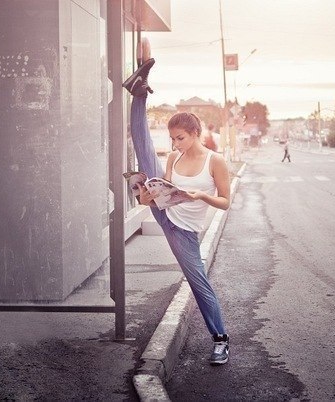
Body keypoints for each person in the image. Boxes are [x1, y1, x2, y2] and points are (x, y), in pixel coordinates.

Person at [122, 38, 231, 365]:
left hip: (184, 232)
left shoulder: (215, 161)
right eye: (172, 139)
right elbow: (161, 190)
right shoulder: (173, 157)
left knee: (198, 283)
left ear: (196, 133)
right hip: (166, 211)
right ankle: (140, 91)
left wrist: (200, 195)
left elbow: (225, 202)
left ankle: (221, 339)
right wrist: (146, 194)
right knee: (143, 150)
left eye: (180, 138)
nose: (175, 144)